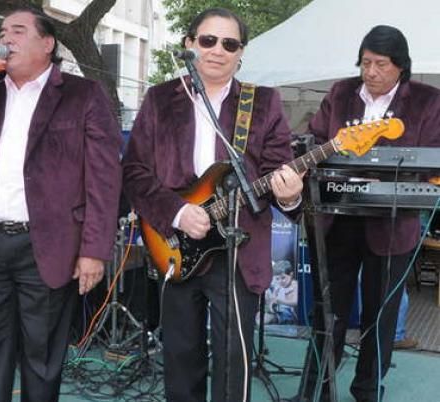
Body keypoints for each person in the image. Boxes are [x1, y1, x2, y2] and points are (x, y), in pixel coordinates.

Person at [0, 6, 121, 401]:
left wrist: (94, 250)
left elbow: (104, 178)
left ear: (47, 43)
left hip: (47, 244)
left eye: (18, 30)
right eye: (3, 32)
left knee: (42, 359)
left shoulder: (83, 95)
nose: (6, 38)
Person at [122, 8, 303, 402]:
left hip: (238, 250)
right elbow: (134, 171)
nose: (218, 50)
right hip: (175, 244)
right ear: (189, 44)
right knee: (180, 358)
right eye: (208, 40)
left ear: (241, 53)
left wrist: (290, 194)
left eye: (230, 44)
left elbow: (276, 173)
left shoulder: (263, 102)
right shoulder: (160, 99)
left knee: (233, 362)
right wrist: (177, 212)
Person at [295, 25, 440, 402]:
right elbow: (314, 138)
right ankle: (314, 390)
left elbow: (432, 160)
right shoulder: (340, 93)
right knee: (328, 313)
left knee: (381, 316)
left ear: (401, 66)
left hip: (392, 223)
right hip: (336, 219)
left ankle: (367, 391)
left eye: (381, 64)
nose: (371, 72)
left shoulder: (427, 101)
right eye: (365, 63)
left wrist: (383, 174)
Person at [261, 260, 299, 325]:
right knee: (260, 316)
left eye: (283, 278)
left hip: (289, 314)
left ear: (291, 275)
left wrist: (280, 301)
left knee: (266, 319)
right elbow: (272, 300)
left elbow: (295, 302)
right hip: (277, 312)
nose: (280, 281)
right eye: (277, 279)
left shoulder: (294, 285)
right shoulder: (278, 287)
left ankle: (276, 319)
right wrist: (271, 305)